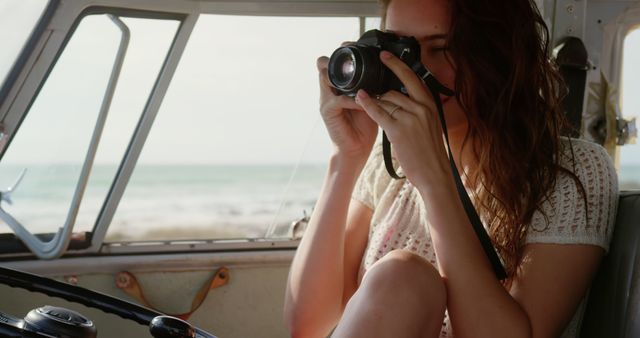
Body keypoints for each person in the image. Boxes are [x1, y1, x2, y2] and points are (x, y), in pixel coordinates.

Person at [284, 0, 619, 337]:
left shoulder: (573, 172)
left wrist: (434, 182)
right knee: (402, 278)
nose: (414, 69)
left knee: (404, 278)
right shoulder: (387, 164)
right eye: (399, 50)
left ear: (500, 55)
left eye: (442, 48)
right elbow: (308, 324)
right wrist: (347, 157)